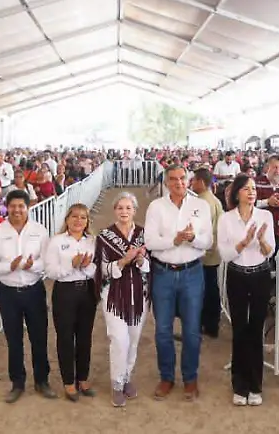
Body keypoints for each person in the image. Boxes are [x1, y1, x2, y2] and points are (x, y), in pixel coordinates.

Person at [146, 165, 214, 401]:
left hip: (192, 273)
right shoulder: (156, 207)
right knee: (163, 330)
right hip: (163, 273)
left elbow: (208, 242)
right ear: (166, 183)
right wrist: (174, 240)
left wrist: (193, 238)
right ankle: (166, 377)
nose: (179, 182)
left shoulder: (201, 206)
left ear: (189, 180)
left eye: (182, 178)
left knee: (192, 330)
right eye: (173, 179)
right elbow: (150, 241)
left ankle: (190, 378)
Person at [0, 189, 54, 402]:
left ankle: (42, 381)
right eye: (12, 206)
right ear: (7, 207)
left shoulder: (40, 231)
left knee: (39, 337)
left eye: (21, 206)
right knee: (14, 340)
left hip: (33, 290)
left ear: (27, 207)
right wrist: (8, 266)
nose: (17, 210)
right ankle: (17, 383)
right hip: (8, 293)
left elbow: (48, 262)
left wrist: (33, 266)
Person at [216, 174, 275, 406]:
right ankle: (239, 385)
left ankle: (255, 385)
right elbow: (226, 254)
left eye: (253, 189)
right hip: (237, 276)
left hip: (260, 275)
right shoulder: (226, 219)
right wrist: (244, 241)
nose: (251, 192)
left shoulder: (265, 215)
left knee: (256, 329)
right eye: (246, 189)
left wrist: (260, 241)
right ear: (236, 193)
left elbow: (269, 251)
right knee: (240, 329)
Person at [95, 192, 148, 408]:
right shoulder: (104, 236)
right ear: (114, 210)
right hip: (114, 294)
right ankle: (116, 384)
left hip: (139, 293)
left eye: (128, 208)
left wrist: (142, 260)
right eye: (120, 208)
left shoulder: (145, 234)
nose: (124, 211)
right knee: (119, 339)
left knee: (133, 339)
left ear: (135, 210)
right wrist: (123, 262)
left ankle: (126, 377)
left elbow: (150, 266)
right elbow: (101, 269)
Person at [44, 203, 97, 402]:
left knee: (85, 337)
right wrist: (70, 264)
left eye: (83, 217)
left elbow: (96, 269)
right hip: (64, 292)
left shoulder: (91, 241)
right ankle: (68, 382)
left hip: (87, 291)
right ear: (67, 219)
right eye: (74, 216)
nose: (78, 221)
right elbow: (51, 271)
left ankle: (82, 378)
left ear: (87, 221)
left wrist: (85, 267)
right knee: (65, 337)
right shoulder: (56, 241)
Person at [191, 168, 225, 339]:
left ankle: (203, 325)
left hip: (204, 253)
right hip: (213, 252)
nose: (191, 183)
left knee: (203, 290)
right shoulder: (214, 200)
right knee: (211, 288)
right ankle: (211, 325)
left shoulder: (202, 202)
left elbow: (199, 230)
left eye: (193, 180)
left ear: (201, 182)